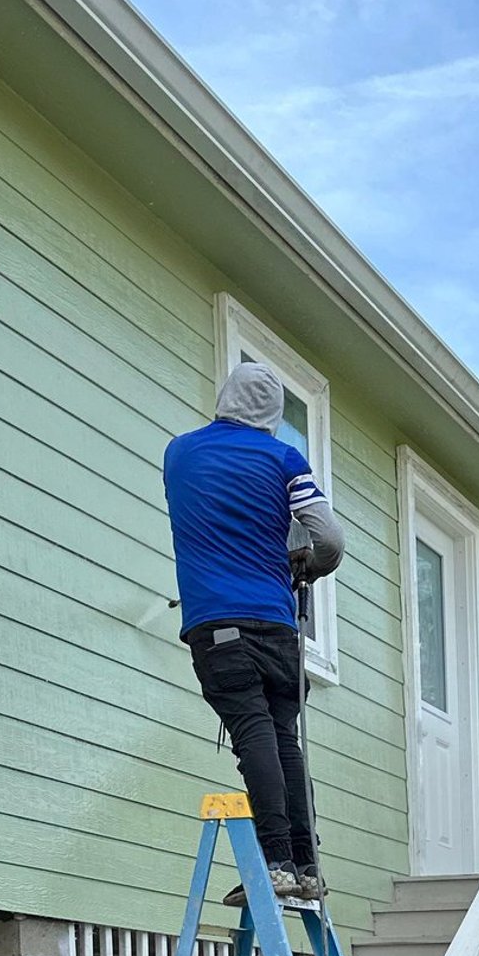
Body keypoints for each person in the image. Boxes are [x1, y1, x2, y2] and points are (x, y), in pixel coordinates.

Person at [162, 361, 347, 904]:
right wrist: (306, 565)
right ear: (270, 415)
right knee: (282, 737)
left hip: (217, 625)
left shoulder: (181, 452)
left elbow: (208, 512)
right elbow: (329, 539)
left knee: (254, 734)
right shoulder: (284, 459)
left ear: (225, 400)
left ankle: (277, 865)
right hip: (276, 625)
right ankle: (306, 865)